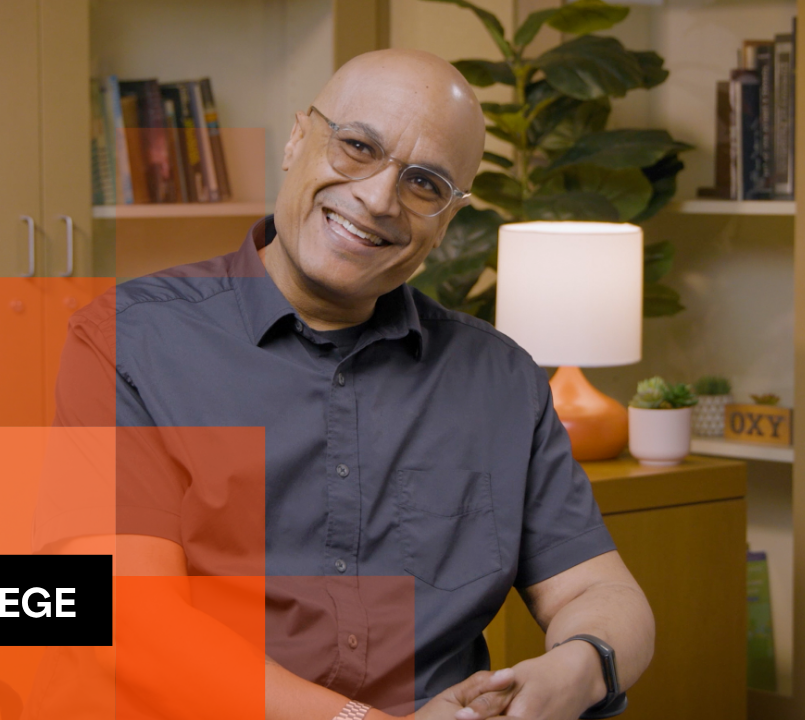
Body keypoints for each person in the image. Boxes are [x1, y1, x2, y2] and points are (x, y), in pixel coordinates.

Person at [32, 49, 654, 720]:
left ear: (447, 219)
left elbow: (600, 591)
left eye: (425, 185)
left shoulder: (501, 378)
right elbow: (133, 626)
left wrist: (580, 667)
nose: (378, 199)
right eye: (357, 146)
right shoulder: (129, 341)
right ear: (299, 138)